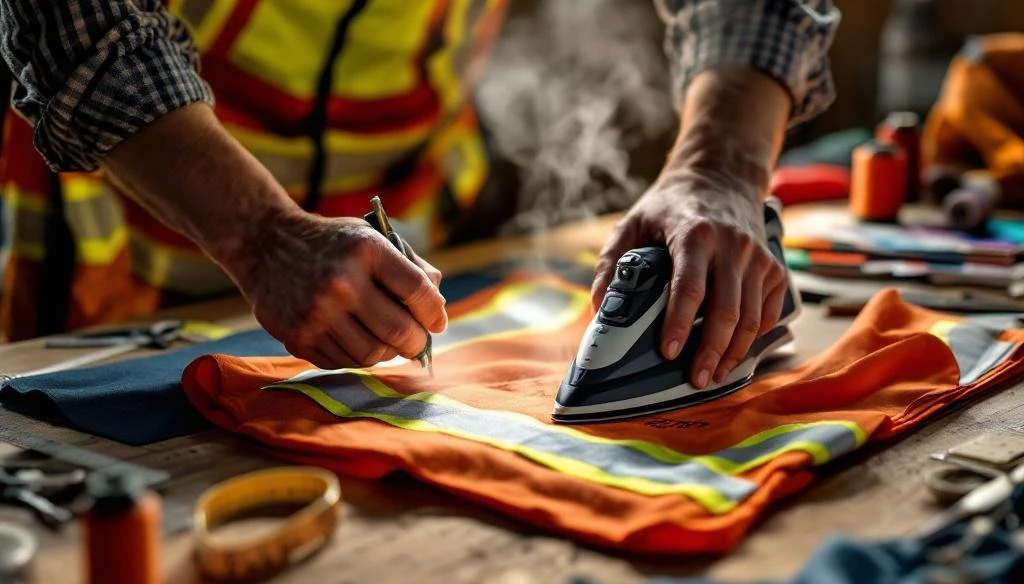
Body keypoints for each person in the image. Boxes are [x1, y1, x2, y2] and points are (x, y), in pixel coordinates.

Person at [0, 0, 839, 390]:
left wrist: (719, 168)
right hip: (133, 217)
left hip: (411, 214)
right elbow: (79, 22)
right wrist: (261, 233)